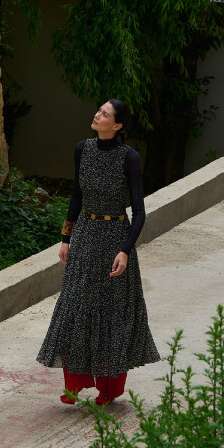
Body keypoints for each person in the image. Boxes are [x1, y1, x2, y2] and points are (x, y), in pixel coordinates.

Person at [36, 98, 160, 405]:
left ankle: (108, 391)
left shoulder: (128, 157)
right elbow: (76, 194)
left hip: (115, 237)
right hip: (85, 235)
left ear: (117, 126)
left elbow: (140, 212)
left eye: (105, 114)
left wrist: (126, 250)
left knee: (111, 313)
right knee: (76, 307)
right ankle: (73, 387)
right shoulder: (83, 149)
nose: (97, 114)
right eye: (99, 110)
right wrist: (66, 238)